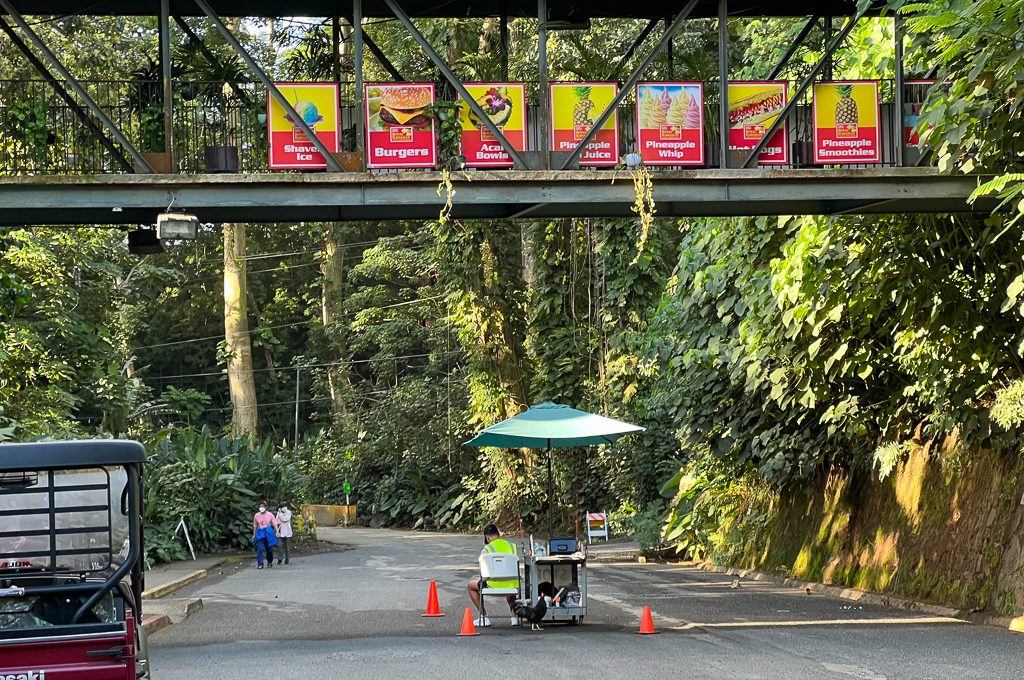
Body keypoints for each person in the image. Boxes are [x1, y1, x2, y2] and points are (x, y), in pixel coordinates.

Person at [467, 524, 519, 627]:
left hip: (492, 586)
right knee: (510, 580)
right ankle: (514, 618)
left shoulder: (486, 549)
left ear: (487, 537)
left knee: (470, 586)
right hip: (512, 586)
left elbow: (483, 573)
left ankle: (484, 617)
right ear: (498, 534)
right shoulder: (512, 547)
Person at [252, 500, 280, 570]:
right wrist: (254, 534)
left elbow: (274, 523)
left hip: (268, 532)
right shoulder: (256, 515)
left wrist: (277, 531)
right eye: (260, 506)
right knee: (260, 549)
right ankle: (260, 564)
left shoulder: (270, 514)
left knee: (269, 549)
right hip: (260, 533)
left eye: (263, 506)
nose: (261, 508)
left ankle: (269, 561)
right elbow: (255, 525)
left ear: (266, 507)